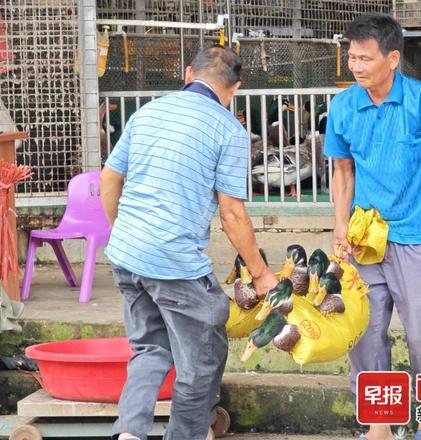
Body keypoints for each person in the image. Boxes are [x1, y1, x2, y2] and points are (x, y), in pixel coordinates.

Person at [100, 45, 277, 440]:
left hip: (127, 254)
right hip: (174, 261)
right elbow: (232, 213)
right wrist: (261, 273)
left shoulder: (148, 112)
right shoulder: (228, 130)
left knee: (150, 348)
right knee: (203, 359)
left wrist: (123, 233)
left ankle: (129, 432)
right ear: (235, 88)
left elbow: (108, 181)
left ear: (187, 73)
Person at [324, 14, 421, 440]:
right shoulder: (343, 106)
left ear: (392, 58)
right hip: (364, 239)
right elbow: (343, 171)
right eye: (351, 57)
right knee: (366, 334)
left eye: (365, 58)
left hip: (420, 239)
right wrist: (339, 224)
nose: (356, 66)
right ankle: (379, 423)